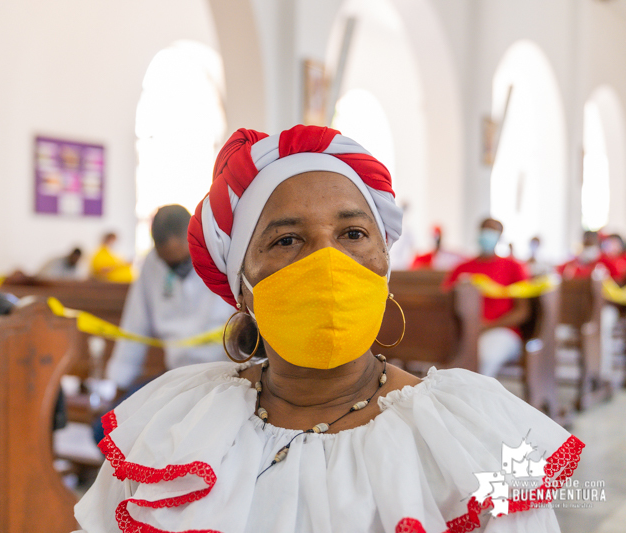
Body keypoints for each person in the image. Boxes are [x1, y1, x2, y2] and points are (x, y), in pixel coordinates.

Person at [74, 126, 581, 533]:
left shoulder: (465, 433)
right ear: (242, 287)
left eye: (353, 233)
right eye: (287, 239)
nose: (326, 263)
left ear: (384, 266)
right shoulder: (180, 427)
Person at [103, 204, 233, 396]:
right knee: (108, 424)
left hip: (225, 377)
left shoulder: (225, 255)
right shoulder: (152, 263)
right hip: (176, 375)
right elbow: (135, 325)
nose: (175, 268)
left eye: (181, 261)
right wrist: (119, 383)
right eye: (168, 262)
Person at [443, 218, 531, 377]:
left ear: (500, 237)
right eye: (484, 230)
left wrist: (487, 326)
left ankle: (473, 400)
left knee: (483, 358)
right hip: (463, 331)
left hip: (502, 331)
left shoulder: (514, 267)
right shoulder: (462, 268)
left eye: (492, 232)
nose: (486, 235)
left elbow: (522, 311)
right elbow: (445, 302)